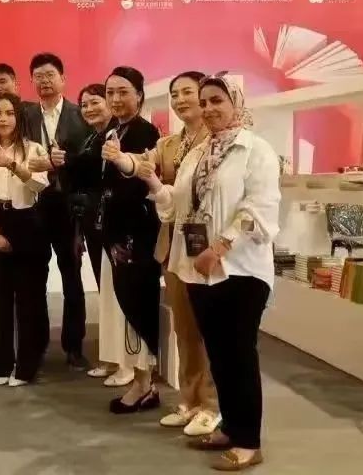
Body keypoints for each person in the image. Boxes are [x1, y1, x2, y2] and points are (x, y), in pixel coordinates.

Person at [141, 75, 279, 471]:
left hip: (241, 271)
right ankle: (230, 427)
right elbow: (177, 203)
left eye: (217, 100)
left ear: (236, 102)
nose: (209, 108)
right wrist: (152, 181)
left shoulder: (256, 150)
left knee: (239, 356)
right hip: (198, 271)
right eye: (205, 102)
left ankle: (248, 442)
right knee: (218, 355)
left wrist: (219, 247)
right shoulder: (199, 153)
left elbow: (260, 208)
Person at [113, 71, 219, 435]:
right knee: (184, 328)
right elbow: (143, 163)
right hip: (173, 243)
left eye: (188, 92)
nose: (181, 100)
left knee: (210, 328)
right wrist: (121, 159)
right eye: (175, 94)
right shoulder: (170, 143)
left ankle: (212, 404)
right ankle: (190, 400)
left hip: (208, 245)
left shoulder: (218, 141)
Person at [0, 92, 51, 387]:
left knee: (29, 299)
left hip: (28, 222)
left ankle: (27, 366)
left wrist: (12, 164)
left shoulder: (34, 149)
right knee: (1, 298)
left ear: (19, 117)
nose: (3, 119)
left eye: (9, 113)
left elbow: (40, 185)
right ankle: (3, 362)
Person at [23, 52, 93, 370]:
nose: (44, 81)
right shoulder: (25, 116)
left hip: (68, 208)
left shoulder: (81, 115)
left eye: (50, 75)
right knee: (34, 279)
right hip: (35, 205)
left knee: (72, 278)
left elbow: (89, 160)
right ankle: (36, 345)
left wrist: (61, 164)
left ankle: (73, 346)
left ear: (63, 79)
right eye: (38, 76)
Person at [100, 66, 162, 414]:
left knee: (138, 308)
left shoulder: (145, 132)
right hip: (116, 236)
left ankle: (144, 383)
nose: (115, 98)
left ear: (139, 95)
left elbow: (142, 180)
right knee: (126, 308)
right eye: (110, 92)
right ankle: (143, 381)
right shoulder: (114, 130)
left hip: (136, 236)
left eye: (123, 91)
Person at [67, 84, 130, 387]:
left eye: (95, 102)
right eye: (84, 105)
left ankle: (128, 364)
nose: (89, 109)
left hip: (115, 227)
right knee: (106, 294)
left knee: (120, 296)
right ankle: (112, 357)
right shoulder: (92, 137)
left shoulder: (118, 136)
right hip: (95, 224)